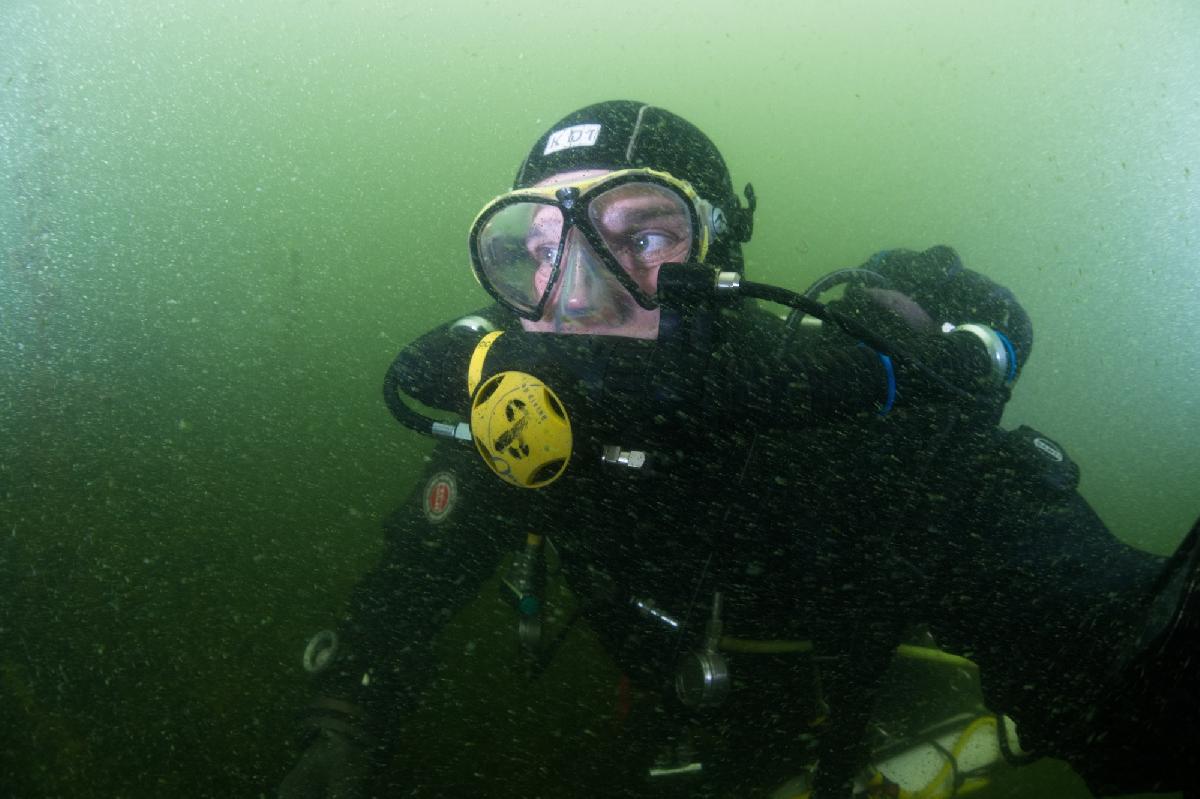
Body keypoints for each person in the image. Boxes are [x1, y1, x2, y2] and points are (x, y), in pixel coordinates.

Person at [278, 101, 1197, 798]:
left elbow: (1073, 600)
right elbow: (411, 583)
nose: (579, 293)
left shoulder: (837, 426)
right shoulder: (519, 426)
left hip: (867, 723)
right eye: (542, 248)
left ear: (716, 251)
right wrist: (346, 711)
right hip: (682, 726)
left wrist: (1133, 672)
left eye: (641, 233)